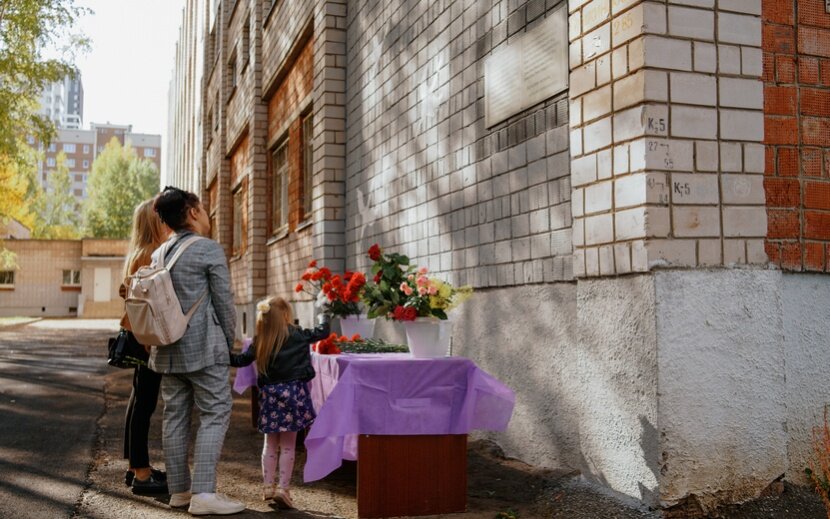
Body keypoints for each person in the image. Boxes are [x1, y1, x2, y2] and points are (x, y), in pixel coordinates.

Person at [149, 186, 244, 515]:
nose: (207, 214)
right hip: (205, 349)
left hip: (167, 351)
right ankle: (204, 493)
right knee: (215, 414)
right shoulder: (208, 250)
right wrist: (229, 343)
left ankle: (180, 492)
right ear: (192, 212)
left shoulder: (158, 254)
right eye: (203, 208)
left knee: (174, 418)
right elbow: (224, 303)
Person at [230, 296, 329, 509]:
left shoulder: (260, 340)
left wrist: (219, 352)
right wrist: (323, 312)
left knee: (270, 444)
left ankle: (267, 487)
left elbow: (240, 361)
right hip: (293, 396)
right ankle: (283, 489)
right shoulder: (298, 335)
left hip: (270, 398)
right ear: (286, 315)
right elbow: (322, 332)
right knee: (288, 446)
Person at [120, 199, 169, 495]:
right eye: (160, 216)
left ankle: (135, 467)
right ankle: (141, 473)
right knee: (144, 404)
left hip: (135, 334)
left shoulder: (136, 253)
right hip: (146, 338)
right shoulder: (151, 254)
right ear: (153, 222)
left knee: (138, 400)